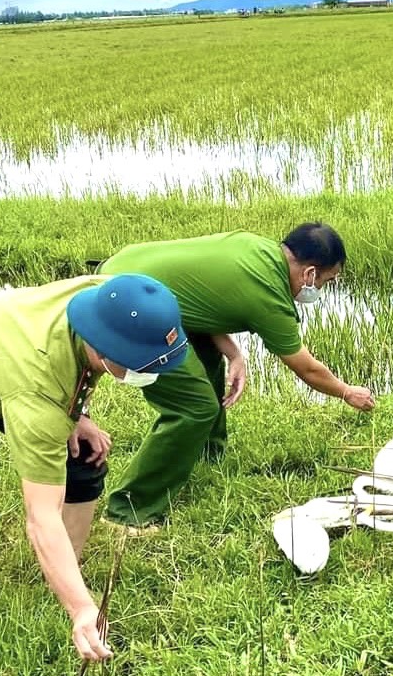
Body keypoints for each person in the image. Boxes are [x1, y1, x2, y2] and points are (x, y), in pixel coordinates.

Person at [0, 274, 189, 660]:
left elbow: (80, 364)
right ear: (102, 348)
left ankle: (68, 572)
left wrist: (77, 414)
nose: (148, 371)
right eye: (138, 363)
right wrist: (82, 611)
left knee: (84, 461)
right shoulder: (36, 389)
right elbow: (41, 517)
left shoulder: (110, 294)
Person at [99, 223, 375, 531]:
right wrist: (346, 392)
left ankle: (207, 456)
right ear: (309, 274)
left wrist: (233, 353)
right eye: (326, 281)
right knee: (193, 407)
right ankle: (128, 513)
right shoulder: (269, 296)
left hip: (128, 274)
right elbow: (306, 367)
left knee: (206, 361)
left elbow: (198, 295)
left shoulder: (256, 249)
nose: (321, 289)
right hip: (125, 303)